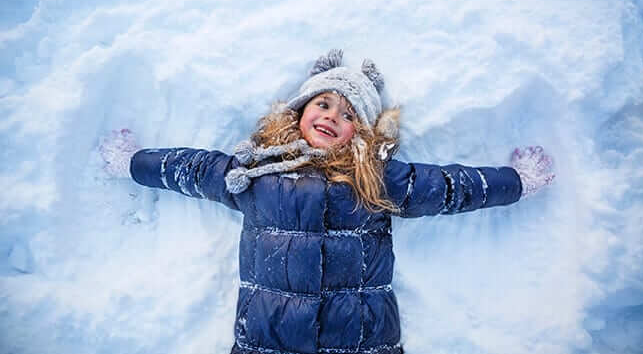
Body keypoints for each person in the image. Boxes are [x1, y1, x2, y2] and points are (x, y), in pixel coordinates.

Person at [99, 49, 555, 354]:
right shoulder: (256, 173)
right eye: (323, 104)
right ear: (300, 112)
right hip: (268, 340)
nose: (332, 117)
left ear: (363, 131)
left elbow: (449, 187)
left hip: (359, 340)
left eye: (349, 114)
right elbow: (193, 169)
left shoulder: (375, 180)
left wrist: (516, 181)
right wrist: (132, 162)